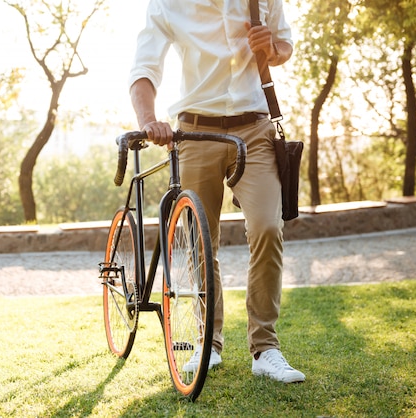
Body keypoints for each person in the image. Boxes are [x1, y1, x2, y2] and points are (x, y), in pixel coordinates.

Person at [128, 0, 305, 383]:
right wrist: (149, 121)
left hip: (255, 129)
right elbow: (144, 69)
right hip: (195, 130)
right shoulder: (167, 4)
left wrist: (271, 48)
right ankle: (209, 345)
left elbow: (286, 46)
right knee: (201, 241)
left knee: (268, 227)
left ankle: (265, 349)